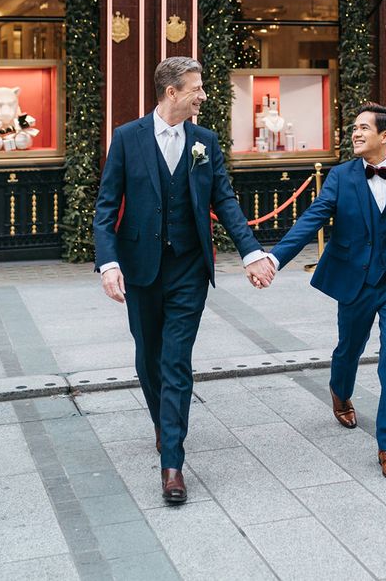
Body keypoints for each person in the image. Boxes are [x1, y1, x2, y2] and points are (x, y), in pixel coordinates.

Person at [93, 56, 274, 504]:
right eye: (196, 87)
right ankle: (163, 421)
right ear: (171, 92)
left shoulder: (205, 142)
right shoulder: (127, 138)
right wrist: (109, 264)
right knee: (147, 356)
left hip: (190, 268)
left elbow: (225, 199)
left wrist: (251, 251)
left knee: (176, 361)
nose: (204, 95)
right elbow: (105, 207)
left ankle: (172, 462)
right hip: (141, 268)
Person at [268, 103, 386, 482]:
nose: (355, 134)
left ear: (384, 136)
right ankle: (340, 391)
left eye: (363, 128)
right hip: (356, 282)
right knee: (349, 349)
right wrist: (275, 259)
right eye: (353, 128)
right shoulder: (340, 177)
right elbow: (312, 218)